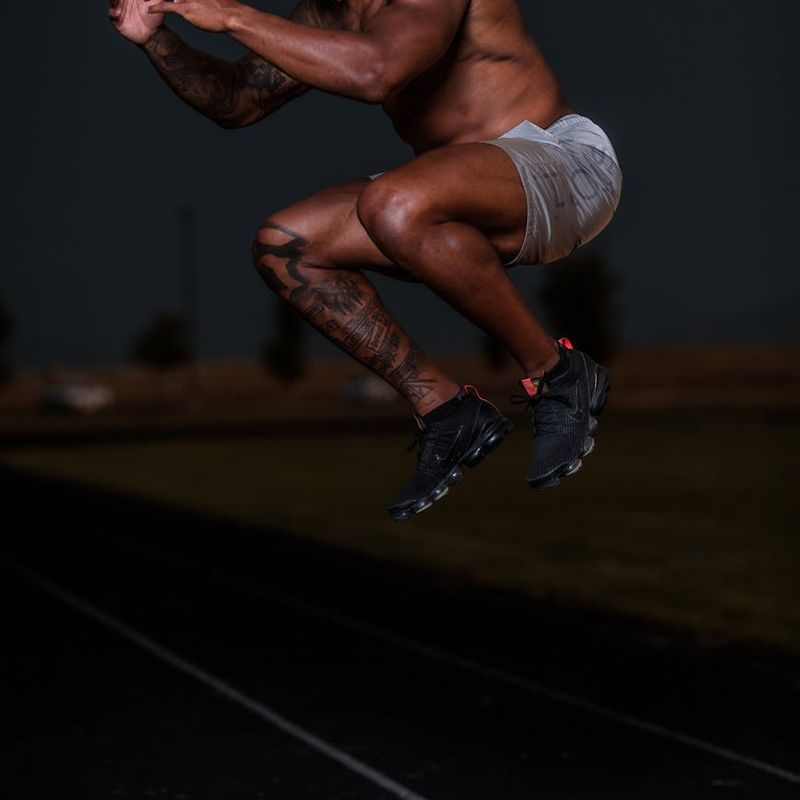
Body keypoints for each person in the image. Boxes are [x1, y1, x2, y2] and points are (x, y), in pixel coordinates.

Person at [109, 0, 623, 521]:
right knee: (285, 245)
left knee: (393, 205)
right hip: (453, 196)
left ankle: (558, 373)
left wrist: (232, 17)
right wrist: (156, 38)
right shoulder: (330, 11)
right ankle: (446, 411)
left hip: (565, 165)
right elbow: (236, 101)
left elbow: (377, 70)